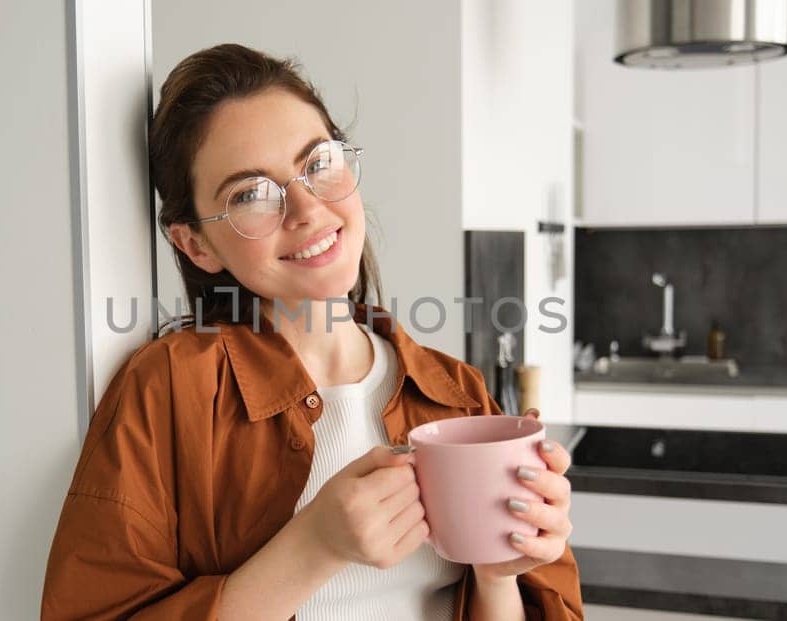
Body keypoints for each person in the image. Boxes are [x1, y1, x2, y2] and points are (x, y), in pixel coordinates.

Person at [41, 43, 582, 620]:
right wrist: (313, 547)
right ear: (195, 244)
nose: (305, 208)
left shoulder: (455, 392)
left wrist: (499, 576)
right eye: (249, 194)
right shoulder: (167, 391)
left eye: (317, 162)